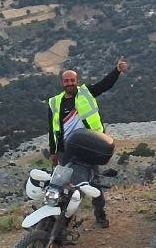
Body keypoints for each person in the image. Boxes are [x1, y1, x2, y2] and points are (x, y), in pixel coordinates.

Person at [47, 56, 128, 228]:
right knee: (63, 185)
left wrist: (117, 71)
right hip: (66, 150)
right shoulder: (55, 102)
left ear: (77, 81)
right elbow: (52, 128)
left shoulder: (86, 93)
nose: (69, 83)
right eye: (66, 81)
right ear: (62, 83)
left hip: (89, 147)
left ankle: (100, 215)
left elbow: (104, 85)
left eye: (72, 80)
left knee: (94, 182)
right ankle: (62, 221)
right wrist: (53, 152)